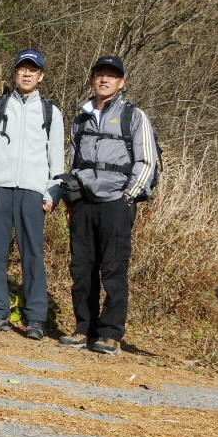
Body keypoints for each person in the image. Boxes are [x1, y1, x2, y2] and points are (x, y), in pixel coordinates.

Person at [59, 55, 158, 355]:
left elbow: (147, 160)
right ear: (92, 79)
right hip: (84, 204)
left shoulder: (134, 116)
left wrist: (129, 197)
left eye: (111, 76)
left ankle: (111, 334)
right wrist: (71, 200)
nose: (104, 80)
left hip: (118, 202)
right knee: (81, 268)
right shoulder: (81, 118)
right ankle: (83, 329)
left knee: (114, 270)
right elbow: (74, 162)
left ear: (121, 83)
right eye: (99, 74)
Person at [0, 49, 64, 340]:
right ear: (15, 73)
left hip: (32, 191)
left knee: (32, 255)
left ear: (41, 76)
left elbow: (56, 156)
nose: (27, 73)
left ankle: (35, 318)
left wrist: (53, 191)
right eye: (22, 68)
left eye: (32, 70)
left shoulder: (51, 112)